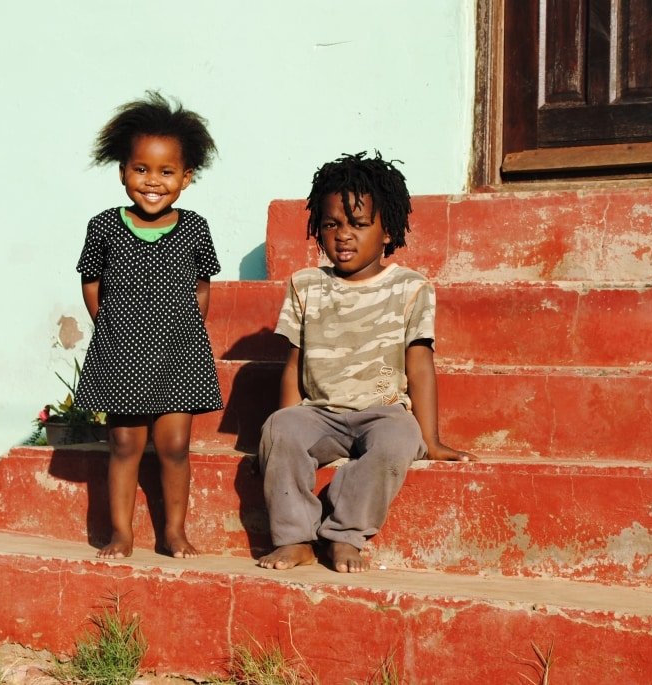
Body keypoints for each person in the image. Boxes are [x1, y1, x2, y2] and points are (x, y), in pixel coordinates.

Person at [257, 151, 476, 574]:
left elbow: (420, 364)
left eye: (358, 224)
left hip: (383, 412)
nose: (343, 236)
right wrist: (277, 436)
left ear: (387, 229)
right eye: (331, 224)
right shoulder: (305, 285)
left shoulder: (411, 288)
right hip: (320, 413)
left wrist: (430, 440)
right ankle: (296, 539)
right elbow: (293, 363)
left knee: (398, 440)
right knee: (279, 428)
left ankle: (344, 534)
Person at [75, 91, 222, 559]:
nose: (152, 181)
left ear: (186, 177)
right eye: (141, 169)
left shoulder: (195, 228)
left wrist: (186, 332)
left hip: (179, 354)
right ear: (122, 171)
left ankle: (174, 532)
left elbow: (201, 287)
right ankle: (121, 533)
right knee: (124, 443)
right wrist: (109, 328)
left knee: (175, 446)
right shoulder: (104, 226)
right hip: (122, 354)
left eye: (166, 171)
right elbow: (91, 281)